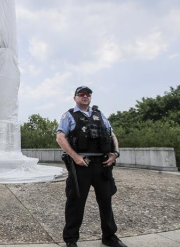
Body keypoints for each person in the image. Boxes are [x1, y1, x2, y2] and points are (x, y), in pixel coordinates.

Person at [56, 86, 127, 247]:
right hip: (82, 165)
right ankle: (71, 240)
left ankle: (109, 237)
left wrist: (114, 153)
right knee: (76, 202)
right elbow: (60, 137)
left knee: (106, 201)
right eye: (81, 94)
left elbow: (112, 134)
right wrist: (75, 157)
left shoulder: (99, 114)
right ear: (75, 98)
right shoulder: (69, 115)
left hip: (103, 165)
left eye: (88, 94)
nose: (85, 96)